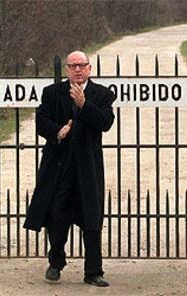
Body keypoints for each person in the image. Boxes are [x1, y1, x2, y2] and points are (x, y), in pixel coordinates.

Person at [23, 50, 115, 287]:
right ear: (66, 69)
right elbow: (41, 121)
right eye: (73, 66)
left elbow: (105, 123)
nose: (77, 70)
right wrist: (57, 131)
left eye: (81, 65)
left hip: (87, 167)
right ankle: (56, 263)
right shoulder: (52, 93)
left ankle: (93, 271)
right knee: (56, 215)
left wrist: (84, 105)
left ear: (89, 68)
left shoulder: (102, 94)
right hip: (59, 165)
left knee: (91, 219)